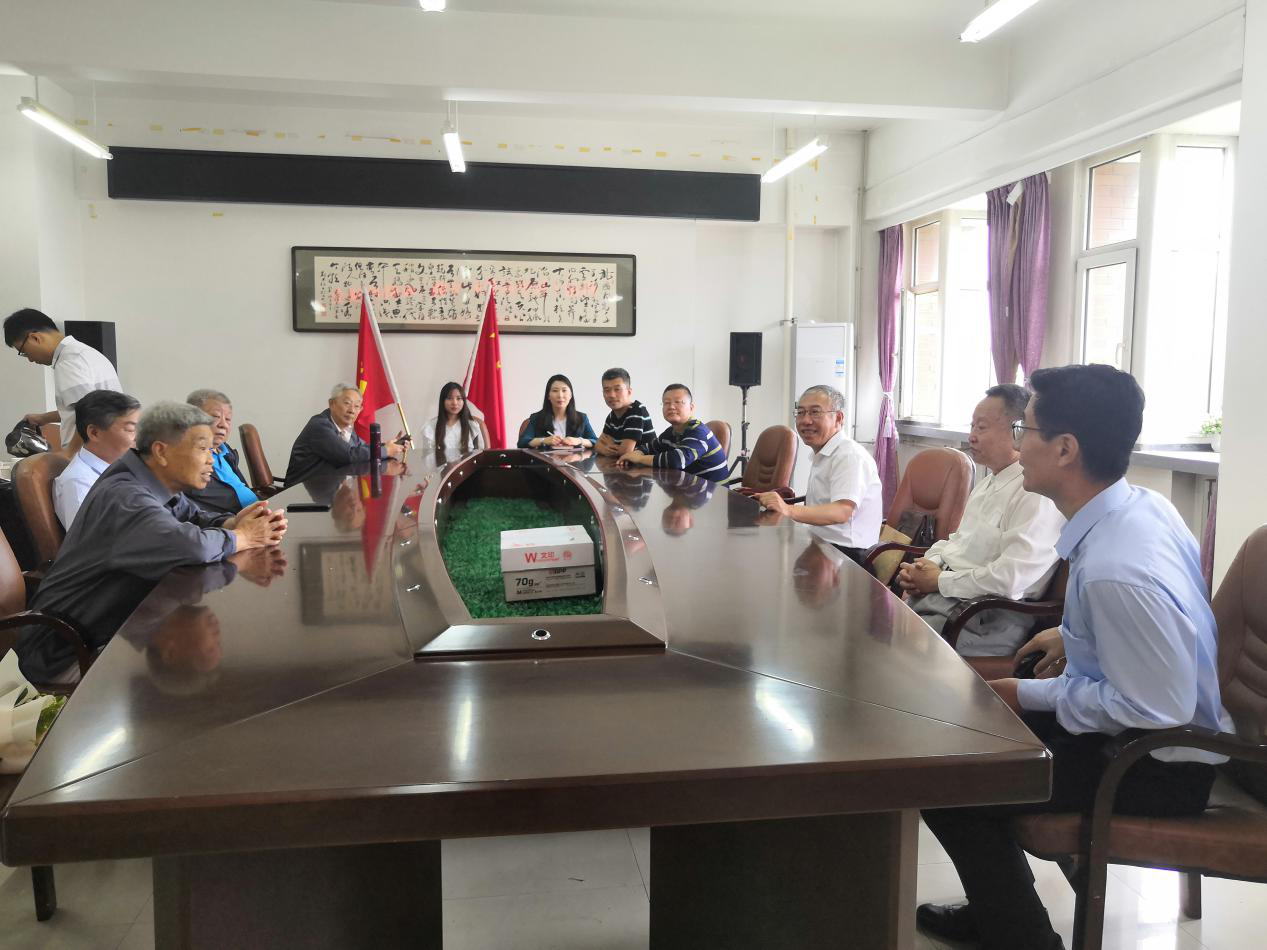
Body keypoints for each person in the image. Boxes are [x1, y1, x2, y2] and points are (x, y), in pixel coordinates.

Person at [917, 364, 1229, 950]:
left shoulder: (1117, 567)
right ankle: (999, 907)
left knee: (951, 777)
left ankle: (1021, 936)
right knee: (961, 739)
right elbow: (1165, 625)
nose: (1018, 444)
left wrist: (1026, 692)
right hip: (1140, 736)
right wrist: (1072, 633)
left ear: (1065, 449)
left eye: (1025, 429)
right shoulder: (1141, 507)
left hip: (1154, 764)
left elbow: (1155, 709)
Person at [14, 401, 288, 685]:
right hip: (65, 653)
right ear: (161, 451)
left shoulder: (149, 479)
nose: (211, 459)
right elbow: (191, 546)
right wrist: (244, 537)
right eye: (203, 449)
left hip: (109, 627)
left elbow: (193, 516)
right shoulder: (127, 497)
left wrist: (232, 523)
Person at [897, 384, 1065, 656]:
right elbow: (957, 541)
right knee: (877, 622)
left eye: (982, 428)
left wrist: (939, 581)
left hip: (985, 616)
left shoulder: (1035, 493)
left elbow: (1011, 579)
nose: (972, 437)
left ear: (1017, 431)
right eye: (972, 426)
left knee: (893, 648)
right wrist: (926, 565)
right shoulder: (989, 482)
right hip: (950, 598)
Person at [755, 385, 882, 561]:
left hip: (847, 555)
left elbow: (841, 511)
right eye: (800, 413)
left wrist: (788, 509)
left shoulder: (849, 456)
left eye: (815, 412)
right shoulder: (825, 452)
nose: (806, 420)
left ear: (838, 418)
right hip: (821, 542)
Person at [4, 308, 122, 454]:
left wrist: (68, 456)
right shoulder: (86, 353)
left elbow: (88, 415)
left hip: (90, 456)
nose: (30, 359)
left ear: (35, 338)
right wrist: (43, 418)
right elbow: (87, 409)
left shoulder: (69, 362)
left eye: (24, 351)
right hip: (108, 451)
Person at [284, 382, 405, 486]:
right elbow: (348, 455)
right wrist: (385, 450)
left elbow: (362, 448)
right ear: (332, 403)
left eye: (357, 406)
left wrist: (390, 446)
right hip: (299, 494)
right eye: (347, 403)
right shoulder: (320, 426)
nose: (352, 410)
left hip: (325, 490)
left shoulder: (346, 428)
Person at [53, 389, 141, 529]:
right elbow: (91, 541)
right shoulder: (78, 484)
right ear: (94, 433)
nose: (138, 438)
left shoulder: (122, 469)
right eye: (130, 429)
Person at [618, 384, 728, 482]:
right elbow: (650, 447)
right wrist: (636, 453)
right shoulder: (671, 432)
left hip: (714, 494)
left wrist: (639, 459)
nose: (671, 406)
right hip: (688, 490)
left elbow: (677, 460)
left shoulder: (699, 432)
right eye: (666, 403)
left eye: (678, 402)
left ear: (691, 408)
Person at [184, 389, 258, 516]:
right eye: (215, 417)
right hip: (230, 523)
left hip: (258, 514)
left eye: (228, 419)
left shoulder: (226, 450)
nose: (224, 425)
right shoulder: (185, 459)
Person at [518, 374, 598, 450]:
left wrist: (579, 441)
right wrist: (543, 440)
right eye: (555, 390)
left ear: (570, 395)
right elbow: (522, 442)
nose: (560, 395)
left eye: (564, 390)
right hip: (544, 460)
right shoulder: (537, 418)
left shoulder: (581, 418)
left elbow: (595, 441)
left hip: (574, 460)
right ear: (548, 396)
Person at [421, 381, 486, 471]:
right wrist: (447, 464)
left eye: (459, 398)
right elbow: (427, 461)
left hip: (468, 474)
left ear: (463, 401)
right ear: (443, 401)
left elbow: (480, 456)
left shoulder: (472, 426)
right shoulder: (430, 427)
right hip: (440, 475)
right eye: (449, 398)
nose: (455, 403)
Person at [594, 368, 655, 458]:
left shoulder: (637, 410)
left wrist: (608, 445)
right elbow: (597, 445)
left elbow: (625, 452)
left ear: (629, 392)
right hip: (625, 464)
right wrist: (604, 448)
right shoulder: (611, 416)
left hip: (647, 465)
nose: (612, 395)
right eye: (607, 390)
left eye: (617, 389)